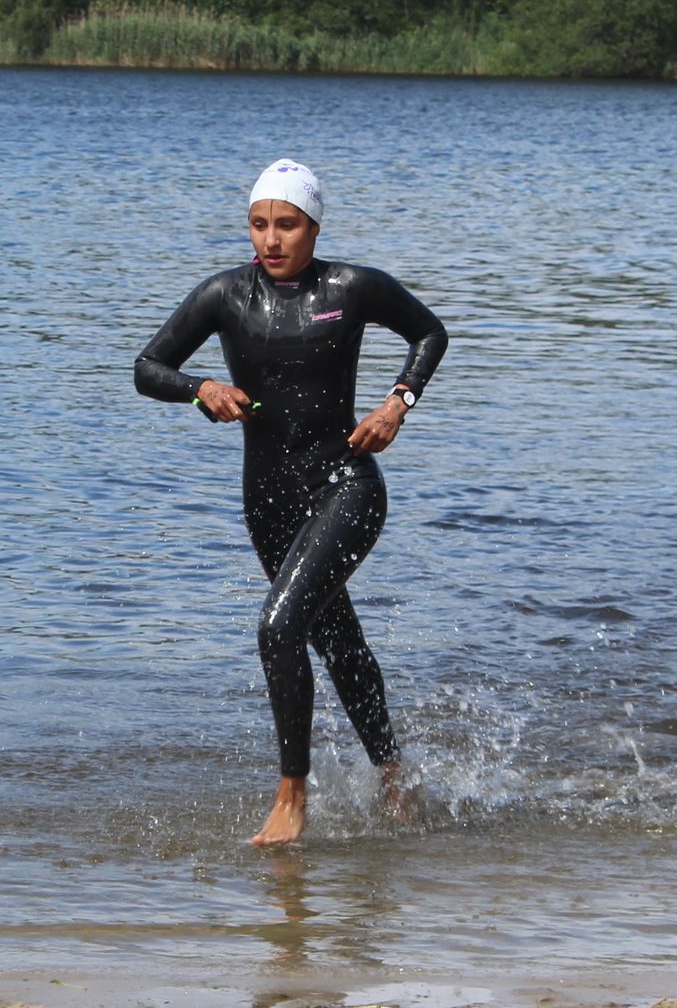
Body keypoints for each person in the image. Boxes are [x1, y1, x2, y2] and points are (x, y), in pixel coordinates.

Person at [133, 159, 449, 846]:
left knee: (279, 626)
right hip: (269, 502)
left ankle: (291, 797)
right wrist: (200, 389)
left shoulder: (352, 287)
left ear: (314, 227)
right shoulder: (224, 294)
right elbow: (147, 367)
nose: (271, 239)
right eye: (259, 224)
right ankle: (396, 778)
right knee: (337, 640)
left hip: (347, 485)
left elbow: (430, 332)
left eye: (287, 224)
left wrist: (398, 403)